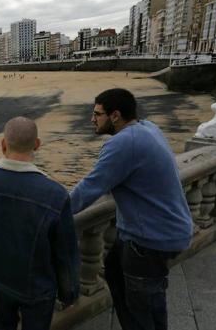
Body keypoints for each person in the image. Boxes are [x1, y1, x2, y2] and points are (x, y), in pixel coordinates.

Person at [71, 88, 193, 330]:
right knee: (115, 270)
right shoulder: (148, 128)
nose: (92, 119)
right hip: (162, 228)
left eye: (97, 114)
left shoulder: (124, 144)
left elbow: (87, 190)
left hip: (149, 239)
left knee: (144, 306)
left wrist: (50, 211)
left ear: (115, 116)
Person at [0, 117, 80, 330]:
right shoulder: (55, 194)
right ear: (37, 144)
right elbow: (65, 252)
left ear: (3, 144)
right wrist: (69, 293)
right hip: (38, 287)